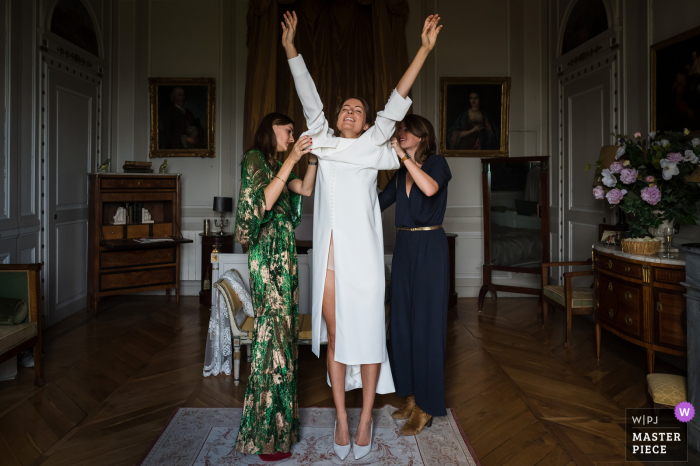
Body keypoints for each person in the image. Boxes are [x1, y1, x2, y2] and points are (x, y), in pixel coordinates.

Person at [281, 11, 442, 460]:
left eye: (358, 108)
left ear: (368, 121)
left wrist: (425, 50)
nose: (349, 111)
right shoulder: (322, 141)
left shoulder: (375, 145)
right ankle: (339, 416)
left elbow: (398, 97)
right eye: (343, 108)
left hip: (366, 260)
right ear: (335, 118)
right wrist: (291, 48)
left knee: (370, 335)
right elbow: (306, 90)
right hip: (331, 258)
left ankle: (366, 415)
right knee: (336, 337)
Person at [233, 112, 317, 461]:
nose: (291, 136)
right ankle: (264, 433)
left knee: (284, 337)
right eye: (288, 130)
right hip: (266, 258)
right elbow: (262, 203)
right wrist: (293, 158)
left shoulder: (278, 164)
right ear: (272, 128)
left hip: (284, 259)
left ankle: (281, 428)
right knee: (270, 339)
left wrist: (310, 159)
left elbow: (305, 189)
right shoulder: (255, 158)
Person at [378, 114, 452, 436]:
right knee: (403, 324)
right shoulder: (398, 176)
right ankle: (410, 396)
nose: (401, 134)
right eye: (399, 131)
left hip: (431, 246)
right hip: (405, 247)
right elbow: (374, 204)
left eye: (406, 130)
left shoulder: (437, 163)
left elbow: (430, 187)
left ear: (422, 136)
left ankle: (427, 406)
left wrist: (403, 158)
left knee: (426, 326)